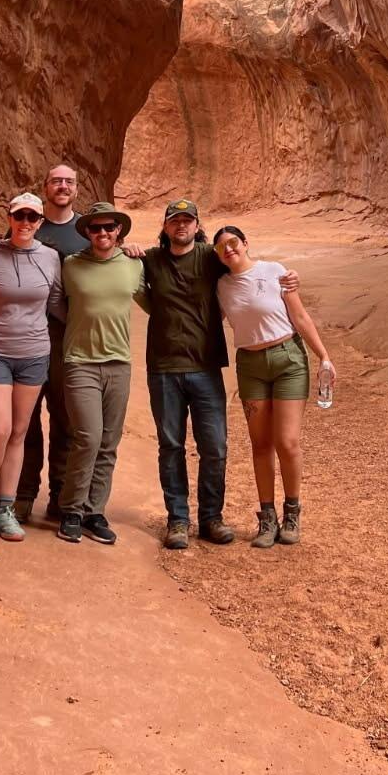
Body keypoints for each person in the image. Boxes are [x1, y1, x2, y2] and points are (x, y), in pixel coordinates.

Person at [135, 198, 297, 550]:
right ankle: (178, 520)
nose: (181, 226)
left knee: (215, 447)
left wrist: (287, 277)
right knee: (171, 446)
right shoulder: (149, 260)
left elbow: (246, 264)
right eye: (174, 221)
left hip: (206, 366)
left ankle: (211, 517)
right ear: (165, 227)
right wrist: (128, 249)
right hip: (164, 367)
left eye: (188, 221)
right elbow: (121, 272)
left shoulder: (211, 257)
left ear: (197, 226)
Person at [213, 224, 335, 548]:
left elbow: (300, 316)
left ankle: (292, 512)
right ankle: (268, 518)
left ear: (246, 243)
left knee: (288, 441)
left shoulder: (274, 271)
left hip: (288, 360)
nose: (229, 249)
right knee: (260, 443)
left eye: (234, 242)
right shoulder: (221, 287)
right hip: (251, 366)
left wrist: (323, 356)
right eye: (222, 247)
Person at [0, 193, 62, 542]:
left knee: (19, 431)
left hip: (34, 352)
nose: (26, 223)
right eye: (19, 215)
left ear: (41, 222)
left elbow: (55, 303)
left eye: (33, 217)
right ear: (9, 217)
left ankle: (5, 507)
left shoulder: (51, 258)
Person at [54, 203, 144, 546]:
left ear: (119, 231)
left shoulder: (134, 265)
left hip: (119, 362)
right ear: (87, 232)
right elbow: (54, 301)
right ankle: (71, 510)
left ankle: (94, 511)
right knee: (87, 437)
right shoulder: (72, 265)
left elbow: (153, 302)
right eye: (95, 228)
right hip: (80, 362)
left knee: (108, 442)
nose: (103, 233)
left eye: (109, 228)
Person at [14, 162, 88, 522]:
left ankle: (59, 495)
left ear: (77, 189)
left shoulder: (86, 231)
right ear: (46, 187)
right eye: (56, 181)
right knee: (25, 419)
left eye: (68, 182)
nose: (63, 186)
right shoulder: (30, 223)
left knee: (64, 418)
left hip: (65, 338)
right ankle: (24, 494)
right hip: (26, 336)